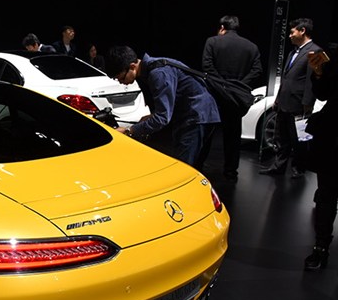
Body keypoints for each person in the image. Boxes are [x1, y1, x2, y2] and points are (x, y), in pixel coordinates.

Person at [104, 45, 220, 169]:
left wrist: (129, 130)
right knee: (194, 167)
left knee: (183, 169)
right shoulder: (155, 65)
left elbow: (162, 118)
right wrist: (151, 116)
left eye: (121, 78)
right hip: (202, 114)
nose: (121, 82)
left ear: (132, 66)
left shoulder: (158, 74)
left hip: (196, 117)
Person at [202, 15, 263, 182]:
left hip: (215, 95)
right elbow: (257, 70)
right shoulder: (251, 47)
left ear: (222, 27)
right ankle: (230, 171)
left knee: (206, 133)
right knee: (233, 136)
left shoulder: (212, 42)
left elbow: (207, 67)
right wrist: (239, 85)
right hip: (236, 97)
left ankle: (198, 167)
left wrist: (222, 85)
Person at [259, 18, 320, 178]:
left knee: (299, 138)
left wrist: (307, 103)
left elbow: (313, 80)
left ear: (302, 31)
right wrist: (277, 99)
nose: (290, 35)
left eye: (292, 32)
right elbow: (286, 78)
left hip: (299, 104)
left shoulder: (316, 52)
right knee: (281, 138)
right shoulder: (293, 52)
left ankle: (299, 168)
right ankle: (278, 167)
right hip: (284, 102)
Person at [302, 43, 338, 270]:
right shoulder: (334, 54)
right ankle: (321, 248)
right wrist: (318, 73)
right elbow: (324, 93)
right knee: (326, 195)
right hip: (333, 137)